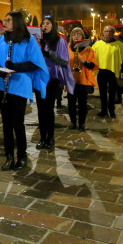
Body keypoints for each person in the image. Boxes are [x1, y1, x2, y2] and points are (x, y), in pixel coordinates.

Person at [0, 10, 49, 170]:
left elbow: (36, 63)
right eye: (5, 20)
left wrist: (15, 67)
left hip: (20, 86)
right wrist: (0, 72)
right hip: (3, 86)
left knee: (18, 123)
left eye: (8, 20)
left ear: (17, 22)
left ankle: (22, 156)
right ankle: (9, 156)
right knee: (6, 124)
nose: (5, 22)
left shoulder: (29, 40)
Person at [36, 17, 75, 149]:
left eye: (48, 23)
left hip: (52, 79)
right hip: (39, 78)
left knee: (48, 109)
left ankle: (50, 137)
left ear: (53, 26)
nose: (44, 25)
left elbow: (64, 61)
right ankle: (42, 138)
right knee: (40, 110)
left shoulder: (59, 41)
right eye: (43, 24)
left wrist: (47, 54)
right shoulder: (37, 40)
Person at [92, 26, 123, 118]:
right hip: (101, 71)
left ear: (113, 33)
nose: (108, 33)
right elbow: (91, 57)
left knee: (112, 92)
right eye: (106, 31)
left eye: (110, 31)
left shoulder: (119, 44)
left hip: (113, 71)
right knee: (102, 92)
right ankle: (103, 110)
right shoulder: (97, 44)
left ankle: (111, 110)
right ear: (103, 33)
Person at [67, 28, 98, 130]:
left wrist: (83, 61)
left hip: (83, 79)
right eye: (74, 34)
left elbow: (92, 65)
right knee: (71, 102)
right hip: (71, 79)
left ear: (82, 37)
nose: (76, 36)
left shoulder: (88, 49)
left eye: (79, 34)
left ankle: (81, 123)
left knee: (82, 103)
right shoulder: (68, 47)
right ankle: (72, 122)